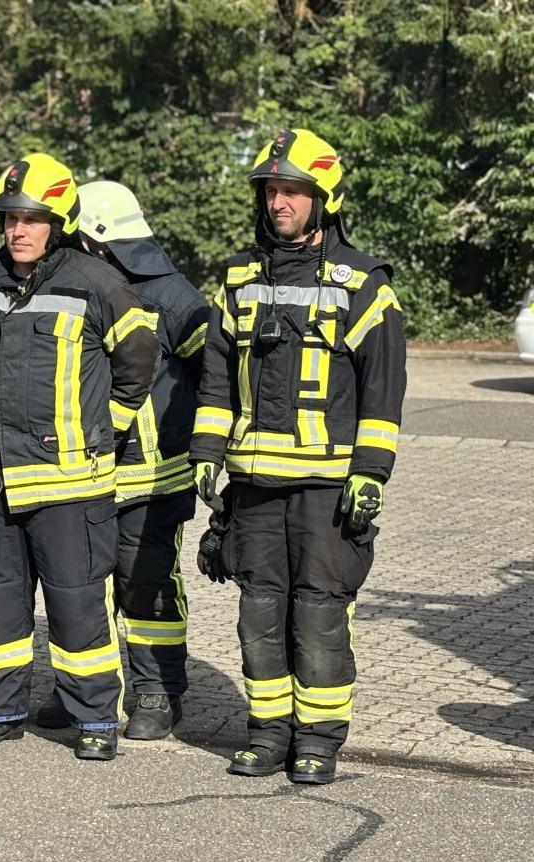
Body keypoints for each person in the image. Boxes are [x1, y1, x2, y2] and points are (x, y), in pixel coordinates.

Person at [189, 128, 405, 785]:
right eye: (271, 190)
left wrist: (370, 472)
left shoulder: (363, 284)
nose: (279, 202)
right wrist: (206, 450)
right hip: (254, 485)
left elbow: (383, 388)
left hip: (326, 490)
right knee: (259, 616)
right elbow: (218, 376)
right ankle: (267, 734)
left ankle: (318, 742)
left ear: (324, 199)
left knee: (318, 619)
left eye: (293, 191)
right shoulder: (237, 279)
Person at [0, 152, 160, 761]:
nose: (17, 230)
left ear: (60, 219)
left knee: (77, 606)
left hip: (71, 482)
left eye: (32, 218)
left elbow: (140, 358)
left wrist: (109, 428)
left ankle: (95, 719)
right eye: (9, 219)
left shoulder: (96, 283)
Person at [57, 180, 209, 740]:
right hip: (83, 470)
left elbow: (213, 375)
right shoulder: (71, 286)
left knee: (145, 585)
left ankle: (157, 691)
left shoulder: (173, 298)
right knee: (82, 585)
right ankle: (80, 690)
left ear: (98, 240)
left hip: (153, 475)